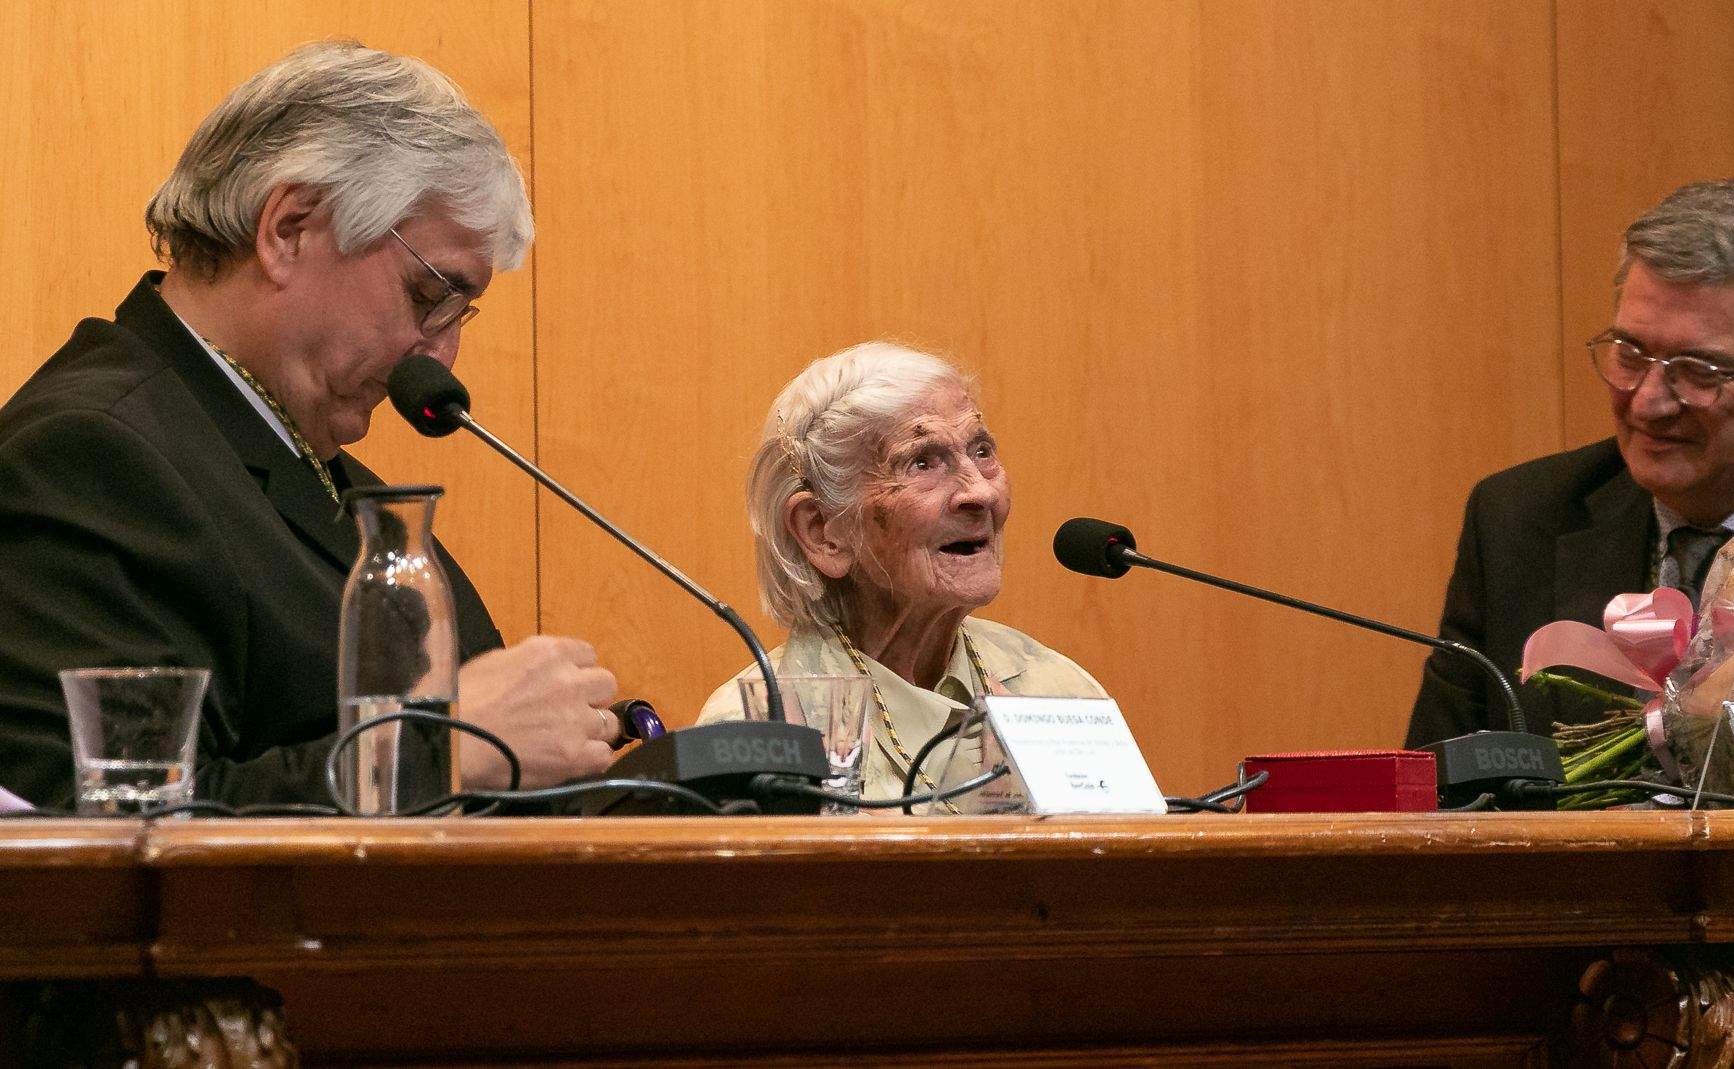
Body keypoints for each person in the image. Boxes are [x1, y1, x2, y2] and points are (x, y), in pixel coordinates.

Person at [0, 42, 621, 808]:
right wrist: (446, 748)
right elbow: (86, 827)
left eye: (461, 314)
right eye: (429, 295)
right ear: (289, 228)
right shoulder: (91, 454)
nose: (444, 354)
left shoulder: (326, 481)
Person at [1407, 179, 1734, 747]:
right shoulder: (1518, 520)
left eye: (1699, 371)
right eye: (1630, 354)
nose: (1647, 401)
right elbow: (1434, 797)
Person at [699, 342, 1105, 802]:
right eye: (923, 462)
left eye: (982, 450)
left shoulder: (1055, 689)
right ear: (823, 532)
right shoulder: (756, 734)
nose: (981, 494)